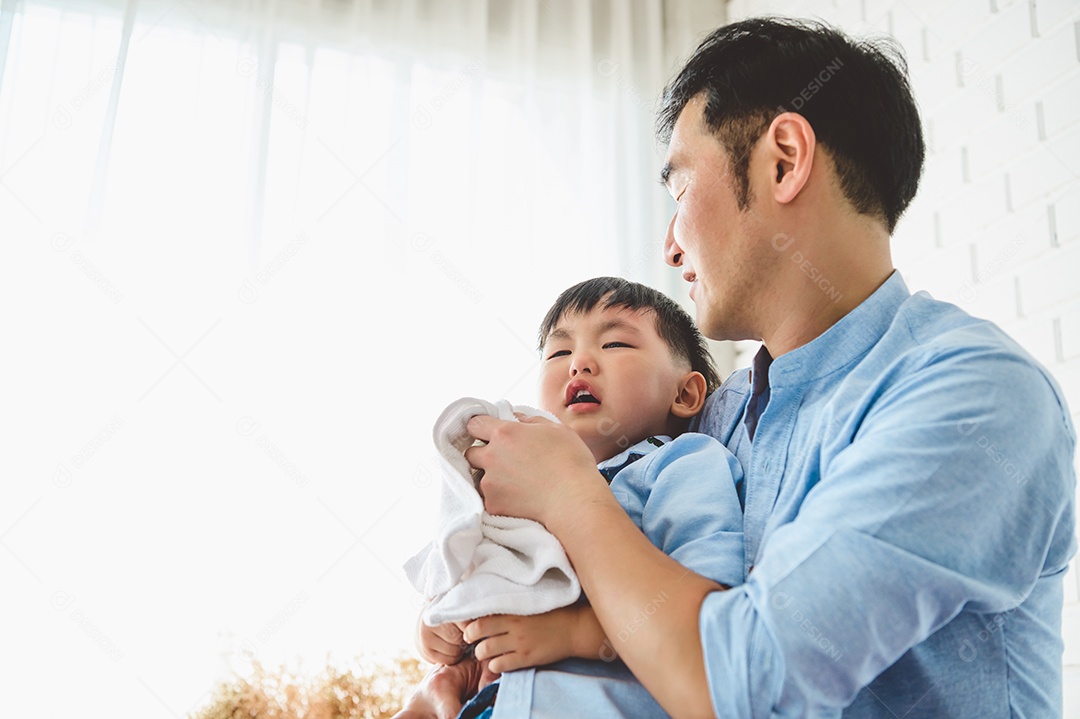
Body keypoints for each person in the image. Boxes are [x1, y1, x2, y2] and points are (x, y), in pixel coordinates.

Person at [461, 17, 1077, 719]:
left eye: (679, 191)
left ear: (783, 160)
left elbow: (749, 685)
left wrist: (570, 494)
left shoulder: (975, 396)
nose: (669, 246)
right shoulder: (713, 420)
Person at [396, 276, 746, 719]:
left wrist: (576, 632)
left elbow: (713, 605)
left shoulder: (682, 464)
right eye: (559, 352)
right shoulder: (510, 482)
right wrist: (439, 629)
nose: (578, 363)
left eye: (616, 344)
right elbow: (462, 572)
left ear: (685, 393)